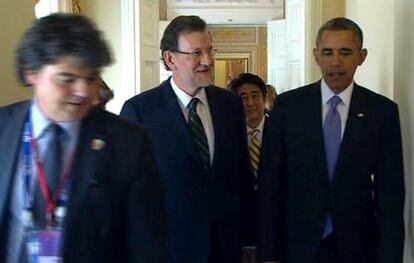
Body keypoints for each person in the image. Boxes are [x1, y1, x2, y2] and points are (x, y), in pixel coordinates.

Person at [0, 13, 168, 262]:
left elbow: (147, 246)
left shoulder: (128, 142)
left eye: (90, 78)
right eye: (67, 79)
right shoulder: (4, 128)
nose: (84, 92)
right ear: (31, 73)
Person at [257, 17, 405, 263]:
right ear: (316, 56)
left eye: (345, 52)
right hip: (297, 247)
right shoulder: (289, 107)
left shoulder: (382, 111)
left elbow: (390, 194)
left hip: (358, 248)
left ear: (361, 55)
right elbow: (270, 185)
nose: (335, 62)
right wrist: (268, 254)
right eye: (327, 52)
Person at [120, 15, 255, 263]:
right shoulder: (140, 111)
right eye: (196, 53)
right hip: (170, 249)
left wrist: (249, 240)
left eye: (209, 51)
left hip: (224, 248)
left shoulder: (230, 105)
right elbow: (131, 193)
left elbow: (241, 177)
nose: (208, 60)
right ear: (171, 59)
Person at [229, 73, 270, 190]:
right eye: (243, 98)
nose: (250, 103)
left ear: (265, 98)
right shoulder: (228, 134)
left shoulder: (280, 131)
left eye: (255, 96)